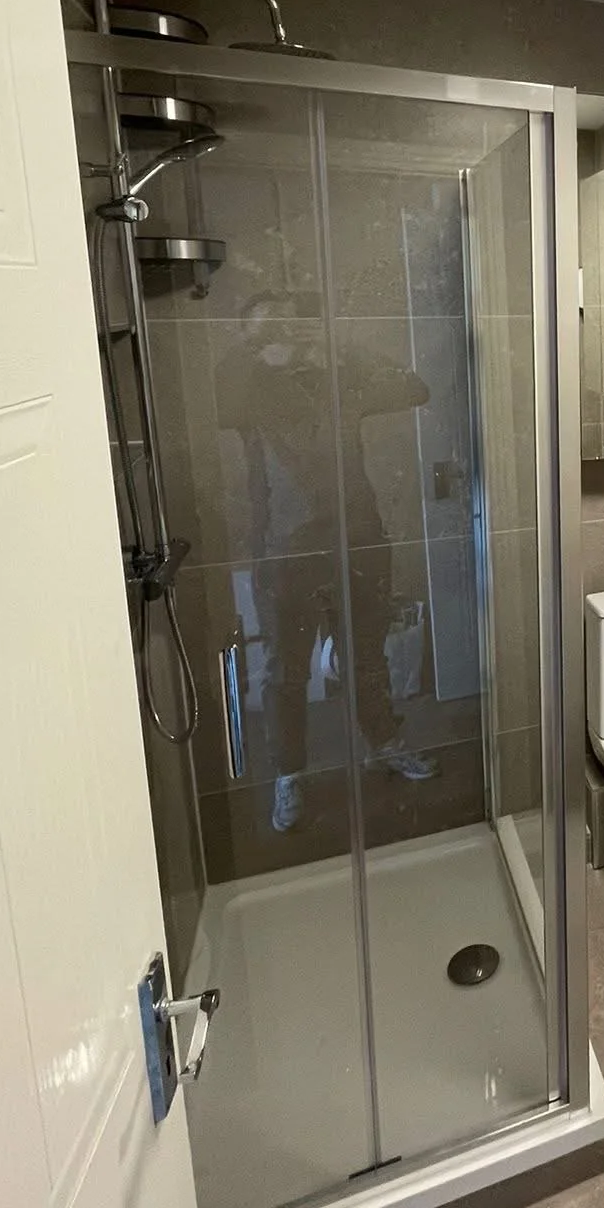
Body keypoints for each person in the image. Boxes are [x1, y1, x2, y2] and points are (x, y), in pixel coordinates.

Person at [215, 292, 433, 830]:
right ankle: (289, 773)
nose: (284, 338)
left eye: (291, 326)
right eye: (269, 331)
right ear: (251, 342)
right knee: (286, 672)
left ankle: (383, 742)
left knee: (366, 656)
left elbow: (414, 388)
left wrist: (342, 344)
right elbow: (218, 397)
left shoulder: (338, 382)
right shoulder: (249, 393)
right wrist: (256, 344)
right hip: (286, 550)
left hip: (357, 539)